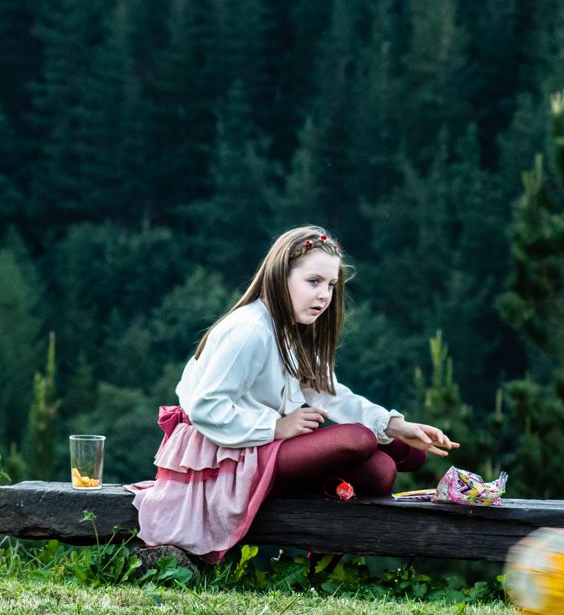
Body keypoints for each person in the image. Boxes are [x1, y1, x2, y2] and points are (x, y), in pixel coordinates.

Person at [129, 226, 459, 561]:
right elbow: (206, 408)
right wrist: (275, 427)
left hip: (259, 446)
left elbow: (329, 394)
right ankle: (319, 506)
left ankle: (323, 503)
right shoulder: (250, 330)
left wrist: (394, 425)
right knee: (360, 441)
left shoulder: (292, 330)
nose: (324, 296)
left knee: (401, 459)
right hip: (225, 452)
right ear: (279, 277)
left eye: (331, 285)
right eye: (313, 282)